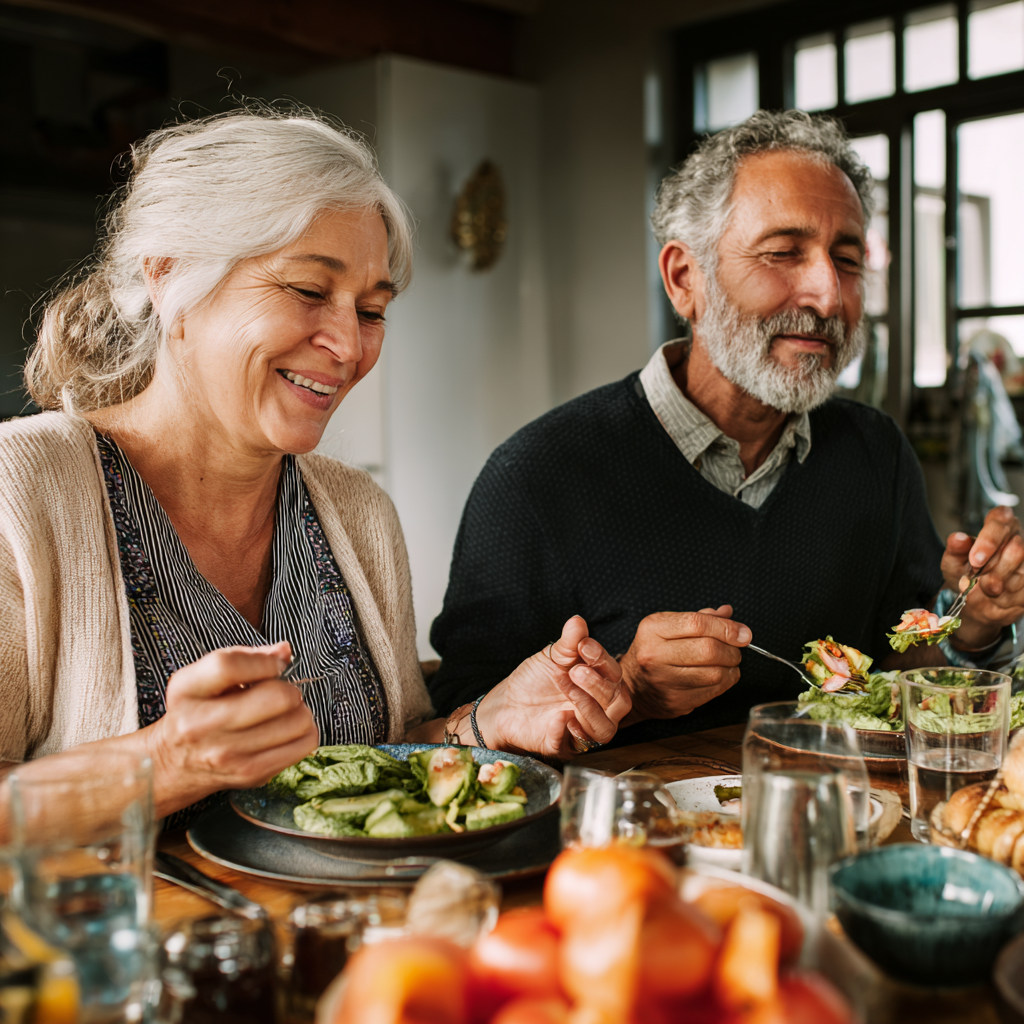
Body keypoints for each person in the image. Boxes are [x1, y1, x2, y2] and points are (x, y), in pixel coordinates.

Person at [0, 106, 629, 826]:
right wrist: (167, 762)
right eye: (306, 290)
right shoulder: (19, 490)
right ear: (170, 277)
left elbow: (381, 765)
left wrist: (485, 725)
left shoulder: (357, 511)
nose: (348, 345)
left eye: (371, 310)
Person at [429, 109, 1024, 745]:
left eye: (846, 260)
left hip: (844, 820)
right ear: (686, 280)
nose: (827, 294)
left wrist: (971, 626)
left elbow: (903, 672)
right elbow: (468, 728)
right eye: (783, 253)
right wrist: (628, 687)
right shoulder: (536, 477)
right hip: (624, 838)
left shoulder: (876, 453)